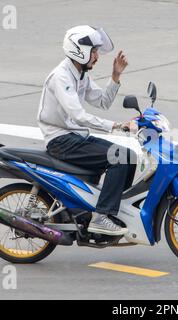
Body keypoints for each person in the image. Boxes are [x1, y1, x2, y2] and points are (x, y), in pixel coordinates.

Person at [36, 25, 137, 236]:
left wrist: (115, 76)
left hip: (75, 137)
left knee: (130, 157)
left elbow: (102, 102)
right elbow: (78, 116)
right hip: (61, 141)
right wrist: (117, 126)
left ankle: (111, 211)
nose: (96, 56)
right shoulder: (61, 76)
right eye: (93, 51)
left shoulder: (80, 74)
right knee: (119, 157)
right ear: (78, 50)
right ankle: (102, 216)